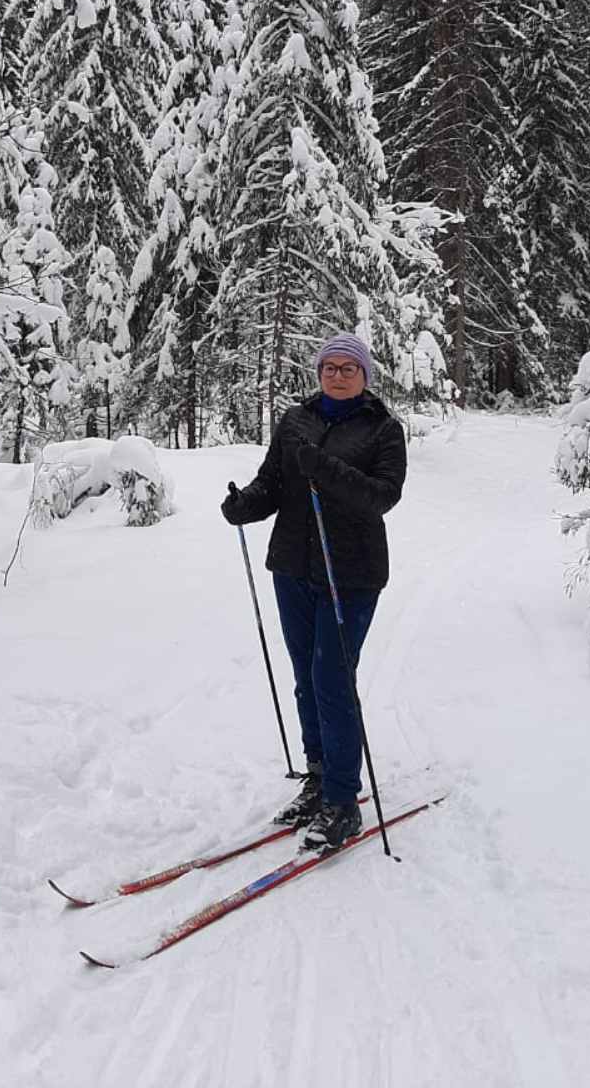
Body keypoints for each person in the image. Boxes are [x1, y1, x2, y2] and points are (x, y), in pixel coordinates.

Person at [221, 332, 407, 850]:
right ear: (319, 372)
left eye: (349, 368)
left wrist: (323, 468)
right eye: (330, 367)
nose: (338, 375)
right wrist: (247, 505)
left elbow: (382, 497)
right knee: (306, 677)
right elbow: (274, 484)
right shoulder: (295, 422)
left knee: (332, 679)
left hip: (352, 574)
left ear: (365, 376)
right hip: (294, 567)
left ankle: (344, 801)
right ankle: (319, 776)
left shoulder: (383, 430)